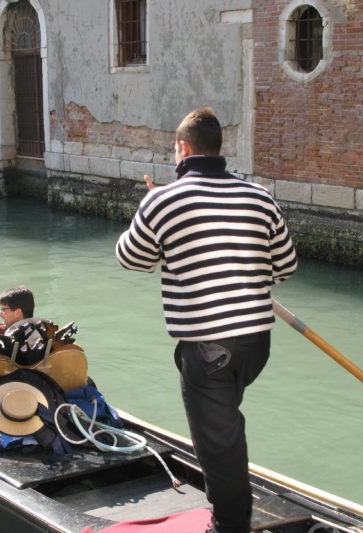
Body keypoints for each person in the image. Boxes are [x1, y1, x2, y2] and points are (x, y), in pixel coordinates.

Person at [115, 107, 298, 533]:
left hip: (209, 346)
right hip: (255, 345)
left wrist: (152, 209)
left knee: (219, 448)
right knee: (225, 430)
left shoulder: (163, 199)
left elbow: (131, 257)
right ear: (218, 147)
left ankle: (228, 527)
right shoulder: (259, 196)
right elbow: (285, 266)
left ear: (182, 149)